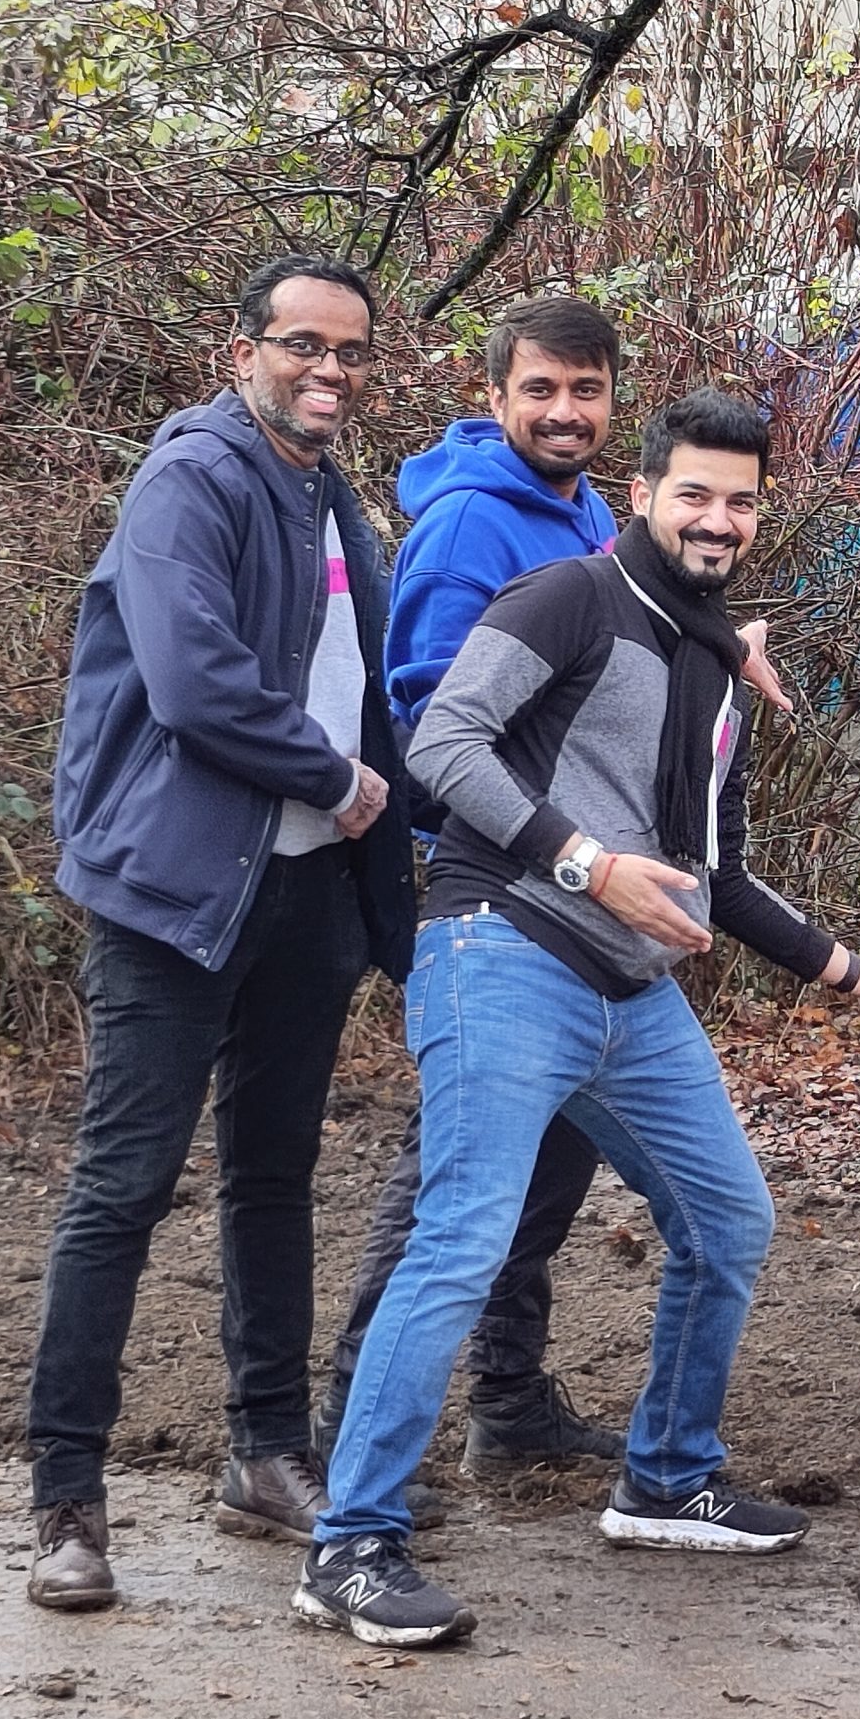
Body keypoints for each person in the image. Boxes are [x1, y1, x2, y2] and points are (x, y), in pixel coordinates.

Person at [296, 389, 860, 1648]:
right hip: (502, 949)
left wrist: (852, 972)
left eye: (740, 502)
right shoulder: (564, 598)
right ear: (645, 494)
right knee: (464, 1238)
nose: (716, 519)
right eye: (693, 494)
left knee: (729, 1220)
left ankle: (665, 1477)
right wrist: (585, 862)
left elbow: (717, 873)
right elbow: (440, 744)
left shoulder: (714, 665)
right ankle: (352, 1545)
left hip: (630, 992)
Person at [27, 255, 414, 1609]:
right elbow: (196, 685)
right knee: (121, 1189)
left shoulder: (330, 496)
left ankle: (265, 1454)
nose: (329, 370)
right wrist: (334, 779)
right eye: (303, 344)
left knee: (272, 1178)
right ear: (240, 350)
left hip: (306, 896)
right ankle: (67, 1502)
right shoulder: (190, 479)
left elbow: (366, 686)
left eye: (350, 352)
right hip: (175, 896)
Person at [314, 294, 632, 1479]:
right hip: (502, 884)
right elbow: (429, 716)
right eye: (539, 389)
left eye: (585, 389)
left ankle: (507, 1401)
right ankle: (345, 1432)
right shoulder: (466, 527)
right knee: (455, 1168)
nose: (564, 411)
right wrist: (536, 842)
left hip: (585, 885)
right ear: (495, 397)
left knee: (557, 1149)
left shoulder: (588, 511)